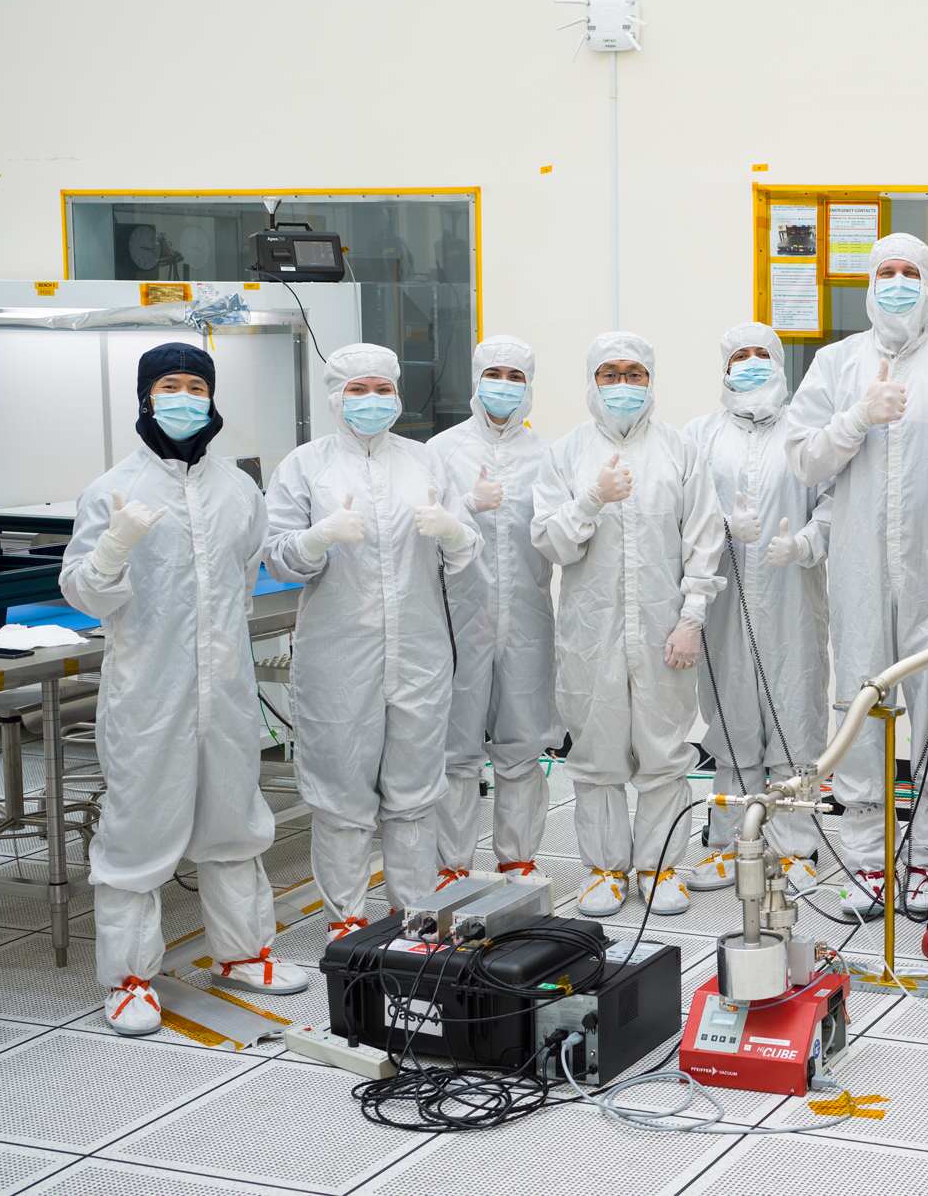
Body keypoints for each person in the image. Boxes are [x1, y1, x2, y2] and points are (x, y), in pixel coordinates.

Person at [60, 344, 305, 1034]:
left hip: (224, 690)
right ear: (145, 396)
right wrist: (113, 547)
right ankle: (131, 978)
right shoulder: (112, 489)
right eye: (169, 384)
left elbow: (248, 568)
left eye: (195, 385)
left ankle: (243, 951)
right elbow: (81, 590)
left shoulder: (239, 489)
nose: (184, 396)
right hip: (146, 695)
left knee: (233, 820)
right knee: (137, 833)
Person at [783, 232, 928, 916]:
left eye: (911, 271)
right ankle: (864, 862)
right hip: (856, 572)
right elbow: (802, 460)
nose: (899, 282)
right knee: (860, 708)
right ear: (868, 282)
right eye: (887, 271)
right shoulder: (834, 364)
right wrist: (857, 417)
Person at [264, 344, 480, 938]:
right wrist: (317, 539)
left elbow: (468, 552)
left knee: (413, 792)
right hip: (339, 657)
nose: (371, 400)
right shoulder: (305, 466)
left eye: (382, 389)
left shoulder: (425, 463)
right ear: (335, 397)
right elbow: (277, 558)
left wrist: (453, 530)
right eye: (357, 390)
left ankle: (414, 916)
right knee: (340, 795)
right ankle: (346, 922)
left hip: (419, 652)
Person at [532, 332, 725, 918]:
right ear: (592, 382)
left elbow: (704, 538)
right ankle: (604, 871)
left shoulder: (680, 450)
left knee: (665, 754)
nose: (623, 385)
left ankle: (660, 865)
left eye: (634, 374)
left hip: (666, 630)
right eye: (610, 374)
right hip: (591, 637)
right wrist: (590, 499)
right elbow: (550, 542)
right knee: (596, 757)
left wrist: (692, 618)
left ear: (650, 380)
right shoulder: (565, 454)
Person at [683, 323, 830, 890]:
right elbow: (681, 515)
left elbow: (835, 504)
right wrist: (722, 526)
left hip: (793, 594)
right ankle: (728, 841)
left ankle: (796, 847)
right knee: (731, 714)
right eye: (739, 356)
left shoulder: (806, 431)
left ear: (779, 363)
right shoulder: (698, 435)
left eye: (760, 355)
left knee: (795, 713)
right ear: (723, 369)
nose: (750, 365)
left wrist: (805, 544)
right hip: (723, 599)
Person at [426, 336, 565, 888]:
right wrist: (464, 506)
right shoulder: (440, 451)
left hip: (528, 619)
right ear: (476, 378)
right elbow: (421, 532)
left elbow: (559, 537)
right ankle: (451, 865)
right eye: (494, 372)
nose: (503, 384)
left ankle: (518, 859)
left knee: (522, 746)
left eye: (515, 375)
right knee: (456, 750)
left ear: (529, 386)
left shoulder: (547, 455)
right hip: (457, 619)